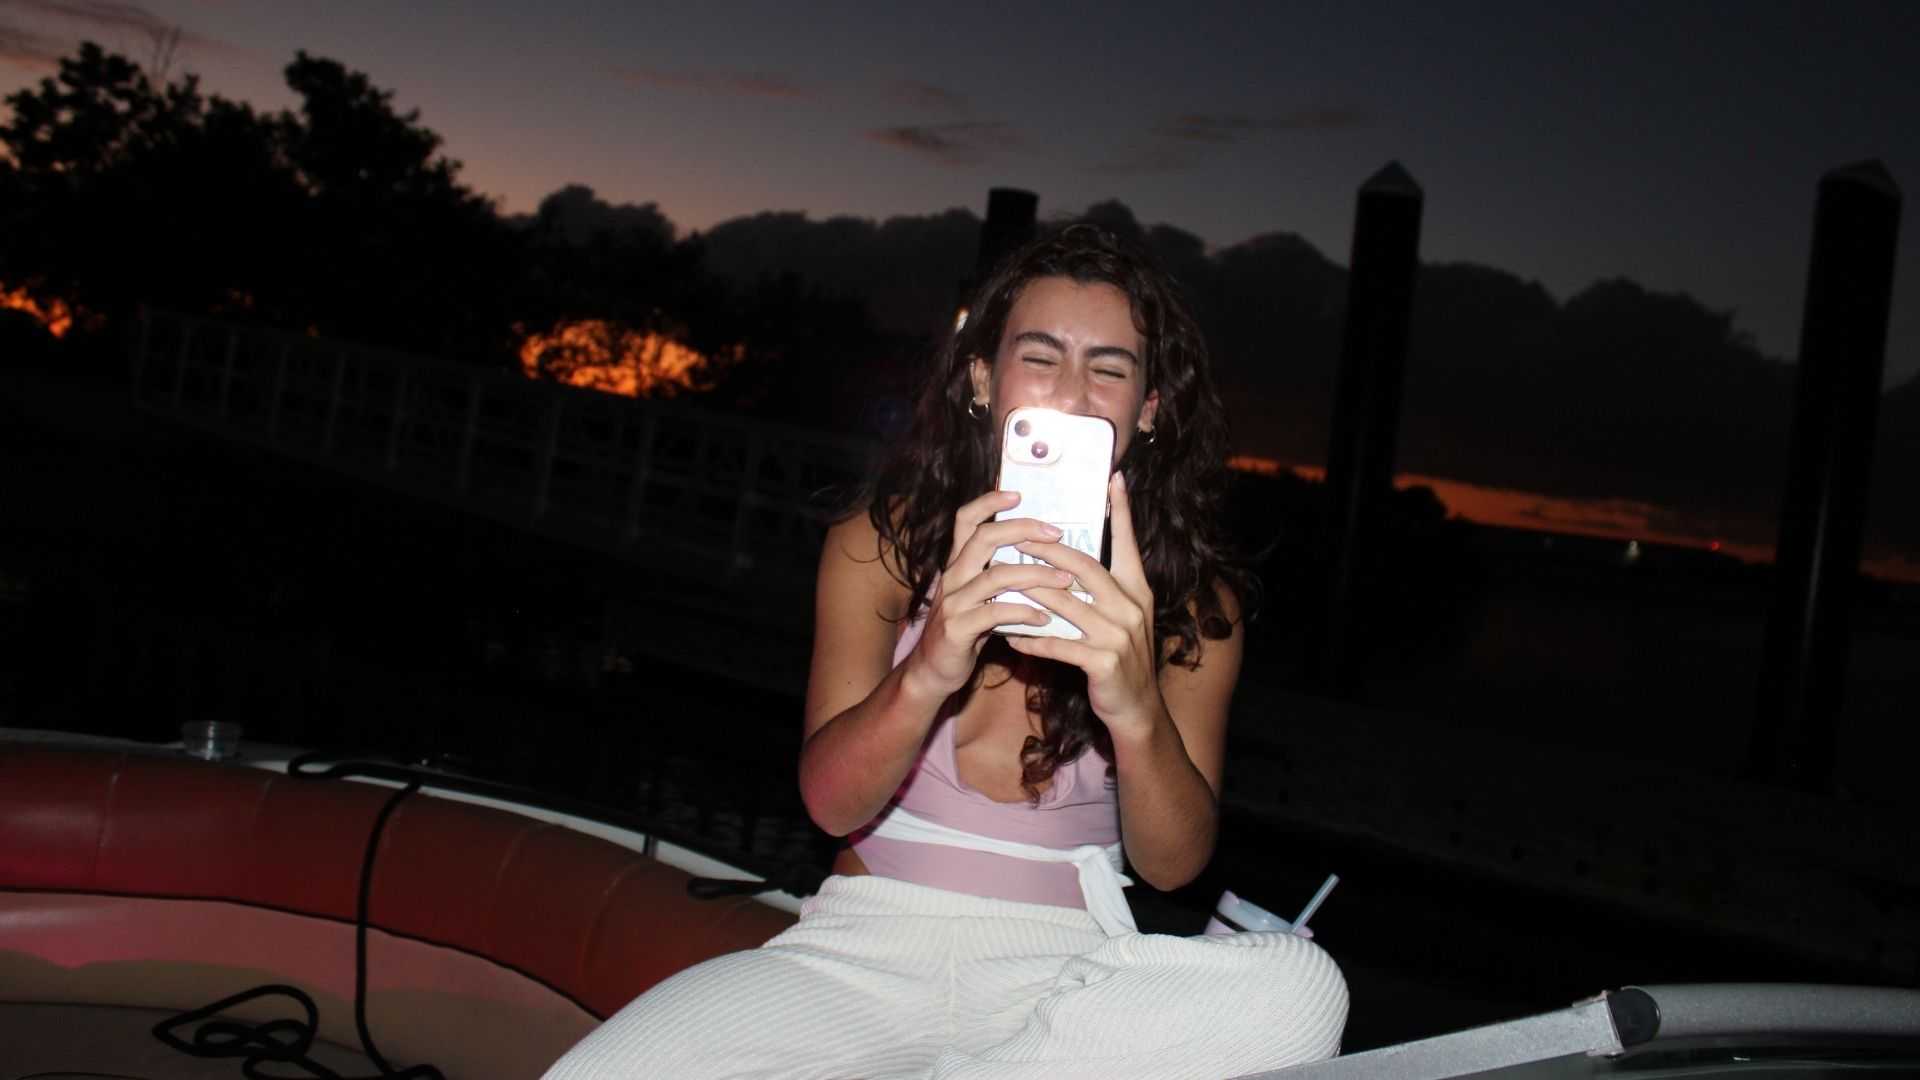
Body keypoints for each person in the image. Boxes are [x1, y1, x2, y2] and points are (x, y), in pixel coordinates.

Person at [544, 225, 1347, 1080]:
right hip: (861, 948)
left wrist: (1137, 709)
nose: (1072, 395)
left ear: (1148, 409)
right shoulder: (878, 543)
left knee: (1300, 987)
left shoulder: (1191, 602)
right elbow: (830, 804)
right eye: (1040, 358)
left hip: (1069, 976)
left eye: (1109, 370)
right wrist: (928, 667)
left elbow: (1174, 865)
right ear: (982, 380)